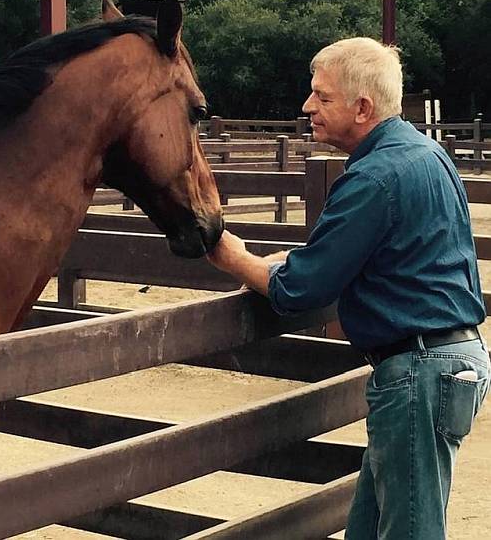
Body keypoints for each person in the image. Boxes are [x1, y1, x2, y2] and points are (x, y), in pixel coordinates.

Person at [207, 37, 490, 539]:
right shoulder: (427, 154)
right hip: (450, 359)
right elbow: (388, 256)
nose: (307, 107)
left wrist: (231, 256)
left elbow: (298, 290)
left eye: (323, 97)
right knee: (371, 526)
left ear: (363, 108)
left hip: (417, 372)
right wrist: (298, 265)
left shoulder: (374, 178)